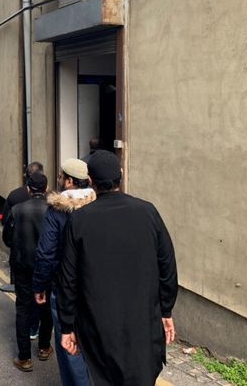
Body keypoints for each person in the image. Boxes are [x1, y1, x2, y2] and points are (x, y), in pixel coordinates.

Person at [57, 150, 178, 386]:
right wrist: (166, 310)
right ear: (120, 175)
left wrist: (67, 325)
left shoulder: (80, 220)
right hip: (143, 321)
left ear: (91, 180)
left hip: (98, 324)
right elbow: (167, 265)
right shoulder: (148, 211)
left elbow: (68, 278)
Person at [33, 159, 94, 386]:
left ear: (69, 180)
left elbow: (46, 253)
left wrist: (40, 286)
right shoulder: (96, 205)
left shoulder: (57, 210)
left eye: (61, 176)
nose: (59, 180)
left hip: (65, 286)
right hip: (93, 286)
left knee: (68, 343)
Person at [2, 172, 54, 372]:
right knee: (46, 306)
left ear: (29, 189)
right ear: (46, 189)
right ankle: (43, 347)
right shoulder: (53, 209)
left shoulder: (16, 210)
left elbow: (7, 237)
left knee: (23, 308)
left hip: (22, 266)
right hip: (47, 266)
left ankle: (24, 357)